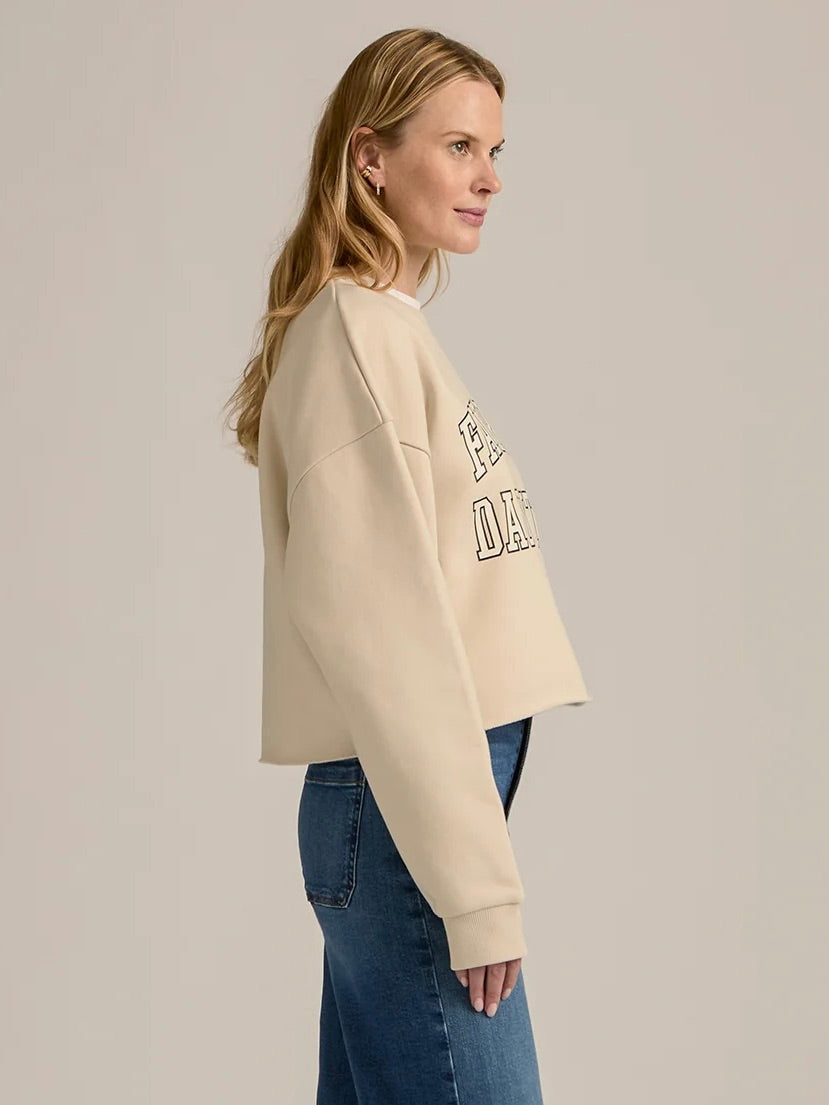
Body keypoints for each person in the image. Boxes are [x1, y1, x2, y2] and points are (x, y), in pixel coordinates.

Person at [223, 26, 592, 1105]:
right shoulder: (355, 336)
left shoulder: (382, 329)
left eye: (495, 151)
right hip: (403, 812)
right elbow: (381, 632)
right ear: (370, 157)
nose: (488, 179)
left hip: (402, 807)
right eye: (459, 146)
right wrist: (475, 890)